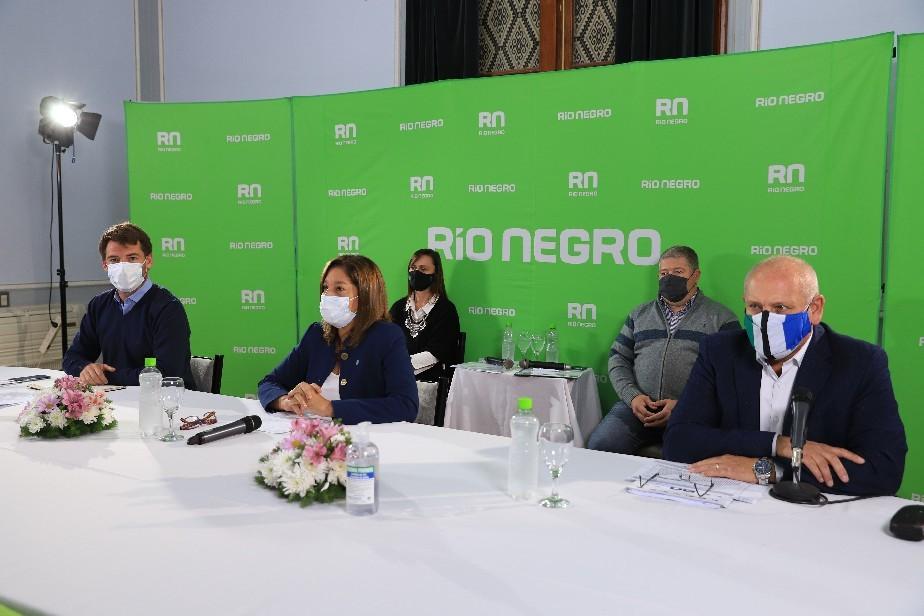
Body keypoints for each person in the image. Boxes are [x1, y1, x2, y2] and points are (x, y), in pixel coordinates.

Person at [663, 256, 907, 496]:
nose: (765, 319)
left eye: (780, 308)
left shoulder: (859, 362)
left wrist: (770, 470)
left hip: (812, 510)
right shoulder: (720, 351)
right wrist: (778, 444)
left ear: (815, 308)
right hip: (728, 502)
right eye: (755, 307)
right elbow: (679, 441)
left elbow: (884, 468)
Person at [586, 245, 739, 454]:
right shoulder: (639, 314)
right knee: (601, 445)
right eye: (664, 273)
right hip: (637, 409)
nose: (669, 278)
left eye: (678, 272)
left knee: (685, 458)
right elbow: (618, 357)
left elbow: (730, 376)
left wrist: (685, 405)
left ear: (696, 276)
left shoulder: (722, 319)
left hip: (692, 412)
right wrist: (633, 397)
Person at [258, 254, 418, 424]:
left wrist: (330, 408)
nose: (328, 295)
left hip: (366, 437)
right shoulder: (316, 334)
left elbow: (406, 406)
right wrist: (285, 401)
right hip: (314, 435)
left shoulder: (387, 336)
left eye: (339, 289)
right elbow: (269, 383)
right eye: (325, 287)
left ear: (365, 294)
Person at [63, 222, 195, 387]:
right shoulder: (99, 305)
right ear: (105, 265)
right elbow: (72, 358)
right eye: (114, 260)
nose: (123, 267)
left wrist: (106, 376)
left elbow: (167, 372)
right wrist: (85, 369)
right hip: (118, 397)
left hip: (168, 399)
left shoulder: (168, 308)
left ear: (148, 261)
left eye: (132, 258)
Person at [389, 248, 460, 381]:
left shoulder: (446, 310)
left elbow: (438, 352)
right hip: (394, 376)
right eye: (413, 268)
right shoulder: (398, 307)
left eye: (423, 269)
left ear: (435, 274)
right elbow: (386, 342)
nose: (416, 273)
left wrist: (401, 366)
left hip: (429, 380)